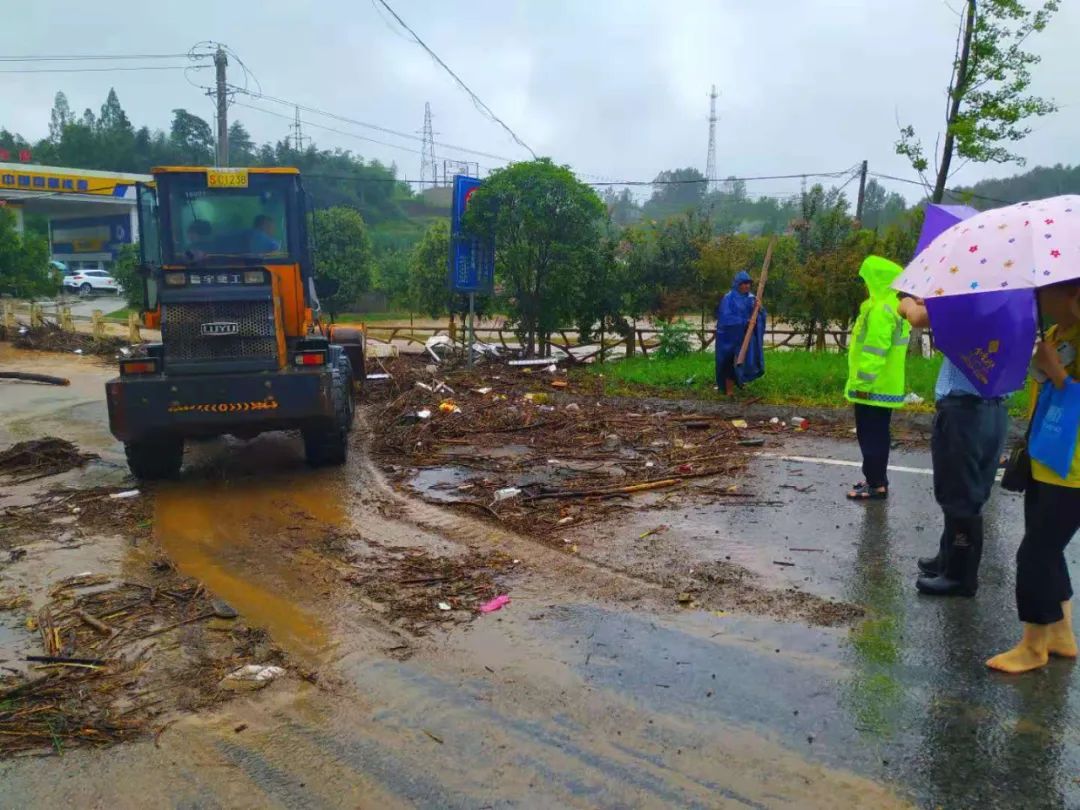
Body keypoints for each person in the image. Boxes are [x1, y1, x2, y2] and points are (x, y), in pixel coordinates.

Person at [987, 281, 1080, 673]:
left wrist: (1056, 371)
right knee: (1046, 549)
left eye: (1048, 292)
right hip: (1044, 458)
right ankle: (1060, 634)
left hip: (1073, 471)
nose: (1039, 300)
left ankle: (1033, 646)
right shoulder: (1057, 334)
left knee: (1034, 555)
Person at [897, 298, 1009, 597]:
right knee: (970, 488)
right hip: (992, 408)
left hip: (964, 411)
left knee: (959, 492)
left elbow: (918, 316)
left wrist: (907, 301)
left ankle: (960, 575)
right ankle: (949, 557)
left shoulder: (974, 297)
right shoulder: (1011, 303)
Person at [845, 256, 911, 501]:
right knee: (878, 433)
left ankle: (876, 485)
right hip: (884, 385)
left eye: (867, 279)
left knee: (870, 435)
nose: (864, 283)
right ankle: (876, 478)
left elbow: (875, 350)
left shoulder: (881, 309)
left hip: (872, 386)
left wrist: (862, 383)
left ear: (877, 280)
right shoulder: (892, 305)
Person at [715, 270, 765, 396]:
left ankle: (741, 382)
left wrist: (759, 309)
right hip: (729, 338)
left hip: (744, 337)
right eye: (744, 283)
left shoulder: (752, 298)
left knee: (744, 361)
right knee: (728, 362)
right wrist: (744, 321)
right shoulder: (728, 298)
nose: (747, 286)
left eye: (748, 283)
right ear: (737, 284)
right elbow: (725, 318)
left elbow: (760, 316)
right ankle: (729, 389)